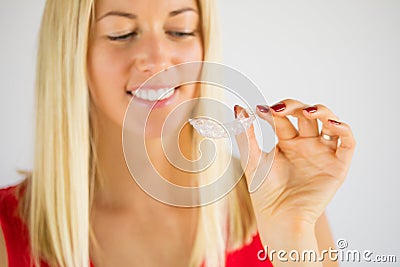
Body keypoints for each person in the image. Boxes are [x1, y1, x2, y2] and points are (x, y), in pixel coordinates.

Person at [0, 0, 356, 266]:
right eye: (121, 33)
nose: (158, 58)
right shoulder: (7, 231)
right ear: (71, 52)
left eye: (180, 30)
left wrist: (292, 237)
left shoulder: (281, 205)